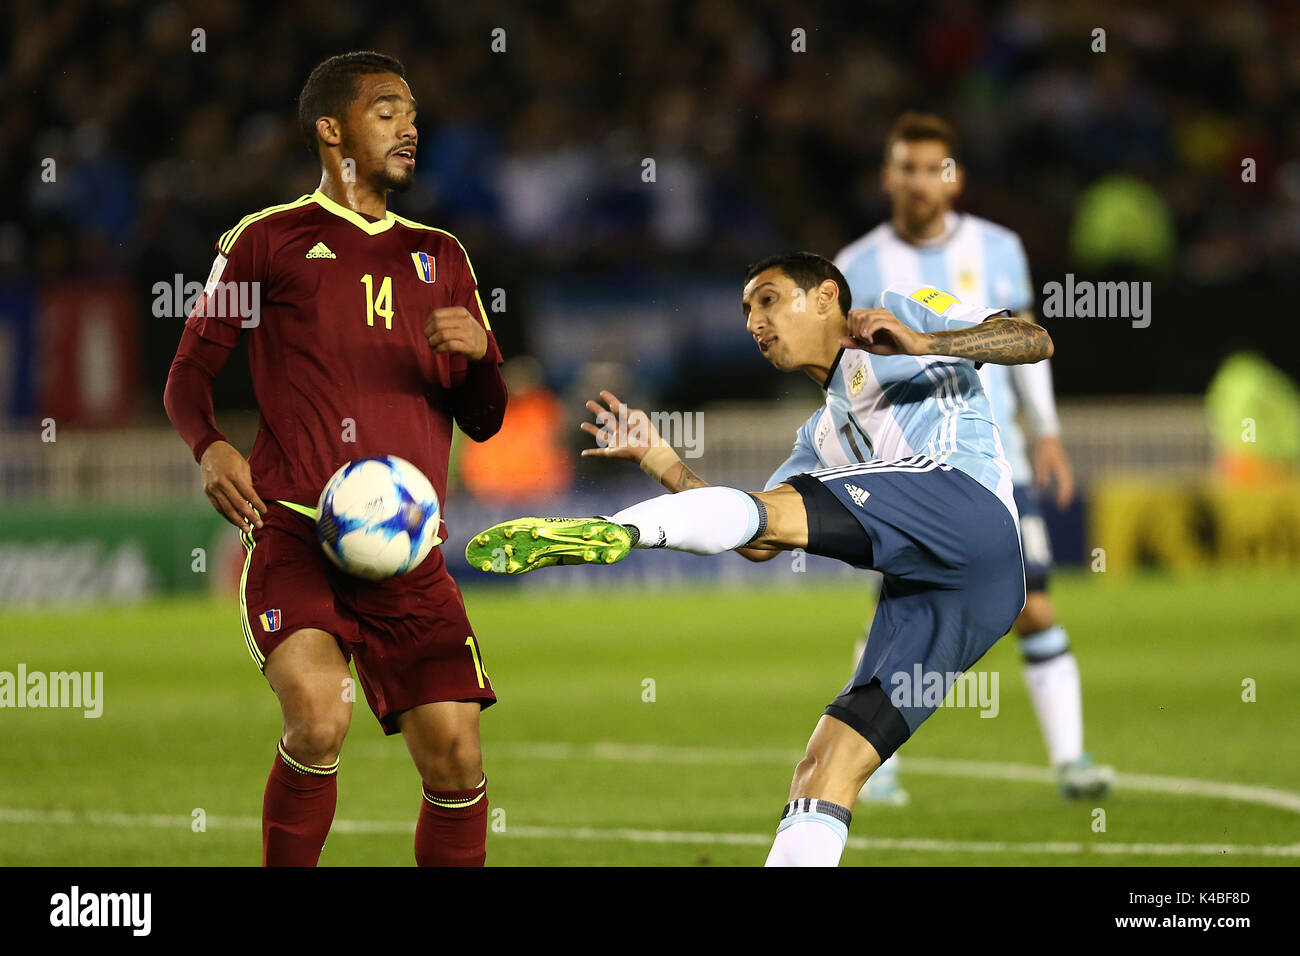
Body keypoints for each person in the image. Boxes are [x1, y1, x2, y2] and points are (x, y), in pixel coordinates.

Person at [466, 253, 1050, 866]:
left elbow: (1033, 339)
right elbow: (757, 539)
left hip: (969, 507)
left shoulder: (899, 310)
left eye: (768, 300)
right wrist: (662, 464)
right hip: (961, 590)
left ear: (826, 297)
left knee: (774, 508)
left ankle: (615, 532)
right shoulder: (819, 438)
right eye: (746, 310)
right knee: (824, 768)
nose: (754, 322)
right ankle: (624, 532)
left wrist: (926, 339)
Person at [164, 52, 506, 866]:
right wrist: (209, 444)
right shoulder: (267, 242)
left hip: (410, 555)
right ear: (332, 130)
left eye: (413, 113)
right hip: (294, 534)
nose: (410, 127)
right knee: (319, 719)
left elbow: (484, 421)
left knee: (457, 759)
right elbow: (187, 374)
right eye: (388, 111)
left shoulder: (442, 255)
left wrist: (484, 355)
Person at [836, 113, 1111, 801]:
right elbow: (846, 370)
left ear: (953, 177)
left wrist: (1045, 430)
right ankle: (873, 763)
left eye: (934, 168)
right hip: (909, 462)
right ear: (887, 176)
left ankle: (1072, 761)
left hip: (999, 458)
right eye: (907, 168)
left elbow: (1021, 341)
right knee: (899, 609)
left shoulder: (998, 247)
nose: (920, 182)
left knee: (1035, 604)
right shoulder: (857, 264)